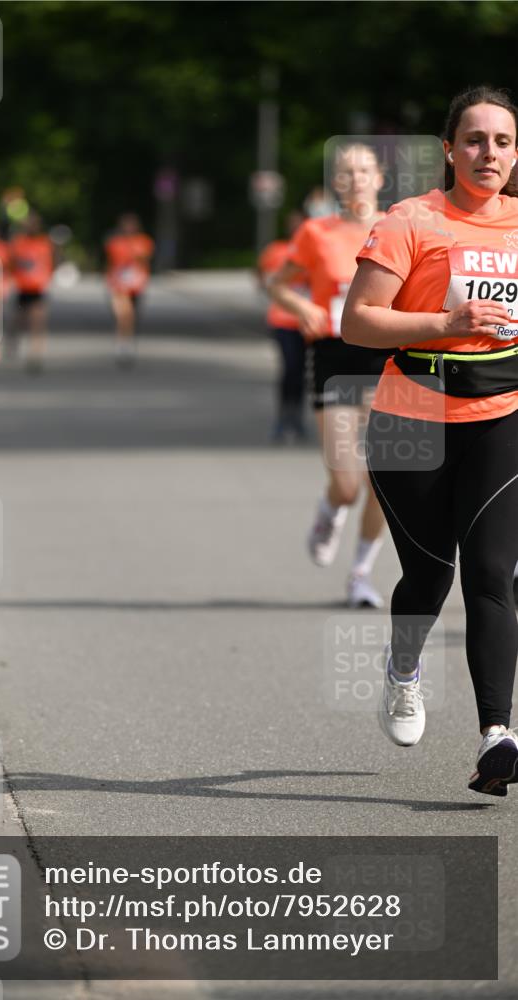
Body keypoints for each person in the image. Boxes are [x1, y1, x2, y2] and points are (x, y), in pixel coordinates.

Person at [342, 86, 518, 796]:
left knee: (490, 572)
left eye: (502, 142)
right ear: (448, 149)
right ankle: (403, 671)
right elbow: (358, 322)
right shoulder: (409, 221)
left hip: (500, 417)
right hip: (410, 423)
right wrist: (444, 324)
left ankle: (496, 736)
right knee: (428, 576)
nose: (488, 154)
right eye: (473, 140)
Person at [269, 145, 392, 608]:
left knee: (387, 480)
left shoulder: (398, 227)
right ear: (336, 183)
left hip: (387, 358)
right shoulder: (315, 232)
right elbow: (277, 283)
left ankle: (361, 573)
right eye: (346, 172)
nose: (356, 179)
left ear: (379, 178)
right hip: (335, 358)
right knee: (347, 483)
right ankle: (330, 509)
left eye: (365, 170)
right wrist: (301, 305)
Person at [257, 211, 309, 442]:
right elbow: (262, 274)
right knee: (290, 367)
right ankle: (283, 417)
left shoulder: (313, 251)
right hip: (282, 320)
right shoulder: (276, 250)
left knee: (302, 371)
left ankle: (297, 417)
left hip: (308, 320)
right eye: (293, 225)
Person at [104, 213, 154, 366]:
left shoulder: (144, 241)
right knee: (122, 313)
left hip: (136, 284)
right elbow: (110, 262)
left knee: (131, 315)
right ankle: (121, 343)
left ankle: (129, 341)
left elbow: (146, 259)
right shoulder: (114, 242)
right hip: (119, 284)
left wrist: (136, 254)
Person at [9, 212, 53, 371]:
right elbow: (11, 262)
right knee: (19, 320)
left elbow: (50, 262)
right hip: (23, 287)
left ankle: (35, 354)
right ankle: (13, 339)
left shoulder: (45, 243)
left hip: (38, 288)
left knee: (38, 321)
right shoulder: (18, 243)